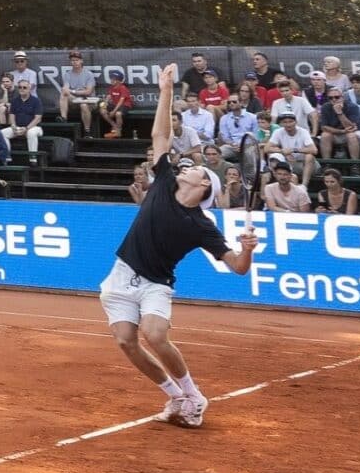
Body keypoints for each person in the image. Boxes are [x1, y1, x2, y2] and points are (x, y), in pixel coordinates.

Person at [99, 63, 258, 429]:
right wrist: (165, 88)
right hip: (122, 276)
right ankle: (175, 397)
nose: (187, 167)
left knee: (154, 333)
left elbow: (236, 266)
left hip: (156, 283)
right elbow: (161, 136)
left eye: (196, 170)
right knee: (126, 341)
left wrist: (247, 249)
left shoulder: (202, 225)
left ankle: (194, 394)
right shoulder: (165, 180)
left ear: (204, 187)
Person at [319, 89, 360, 175]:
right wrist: (341, 131)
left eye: (337, 97)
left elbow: (351, 127)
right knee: (325, 135)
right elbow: (324, 127)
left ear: (342, 97)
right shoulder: (325, 107)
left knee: (351, 135)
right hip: (339, 133)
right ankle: (326, 165)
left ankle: (355, 165)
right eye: (331, 98)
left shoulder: (352, 106)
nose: (334, 99)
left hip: (359, 132)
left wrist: (339, 113)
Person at [265, 112, 320, 188]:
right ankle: (278, 185)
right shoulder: (278, 132)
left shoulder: (303, 132)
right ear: (281, 123)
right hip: (290, 163)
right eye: (285, 122)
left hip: (306, 165)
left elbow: (314, 150)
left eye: (290, 121)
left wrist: (293, 150)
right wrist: (283, 152)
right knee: (274, 155)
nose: (288, 124)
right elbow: (267, 148)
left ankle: (304, 186)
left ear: (296, 122)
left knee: (309, 156)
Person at [1, 80, 42, 164]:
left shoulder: (36, 101)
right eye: (20, 87)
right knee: (1, 133)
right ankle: (7, 157)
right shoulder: (15, 101)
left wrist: (26, 128)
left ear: (29, 89)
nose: (22, 89)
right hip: (18, 127)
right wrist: (13, 126)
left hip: (33, 127)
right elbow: (12, 115)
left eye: (24, 87)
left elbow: (38, 118)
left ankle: (33, 159)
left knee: (31, 133)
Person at [57, 50, 95, 136]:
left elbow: (88, 92)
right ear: (70, 62)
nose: (75, 62)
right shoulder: (67, 74)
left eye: (77, 60)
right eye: (73, 60)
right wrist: (68, 90)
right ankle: (64, 118)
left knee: (83, 105)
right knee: (63, 93)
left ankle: (87, 131)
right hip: (75, 100)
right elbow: (66, 89)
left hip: (88, 101)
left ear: (81, 61)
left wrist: (73, 91)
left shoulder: (89, 74)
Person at [100, 70, 133, 138]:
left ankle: (118, 132)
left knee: (118, 114)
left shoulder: (123, 88)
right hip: (115, 105)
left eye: (113, 79)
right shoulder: (111, 88)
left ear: (119, 81)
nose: (111, 80)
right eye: (111, 79)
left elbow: (121, 101)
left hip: (125, 105)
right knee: (102, 111)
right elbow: (108, 97)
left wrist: (113, 111)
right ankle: (114, 125)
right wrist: (104, 104)